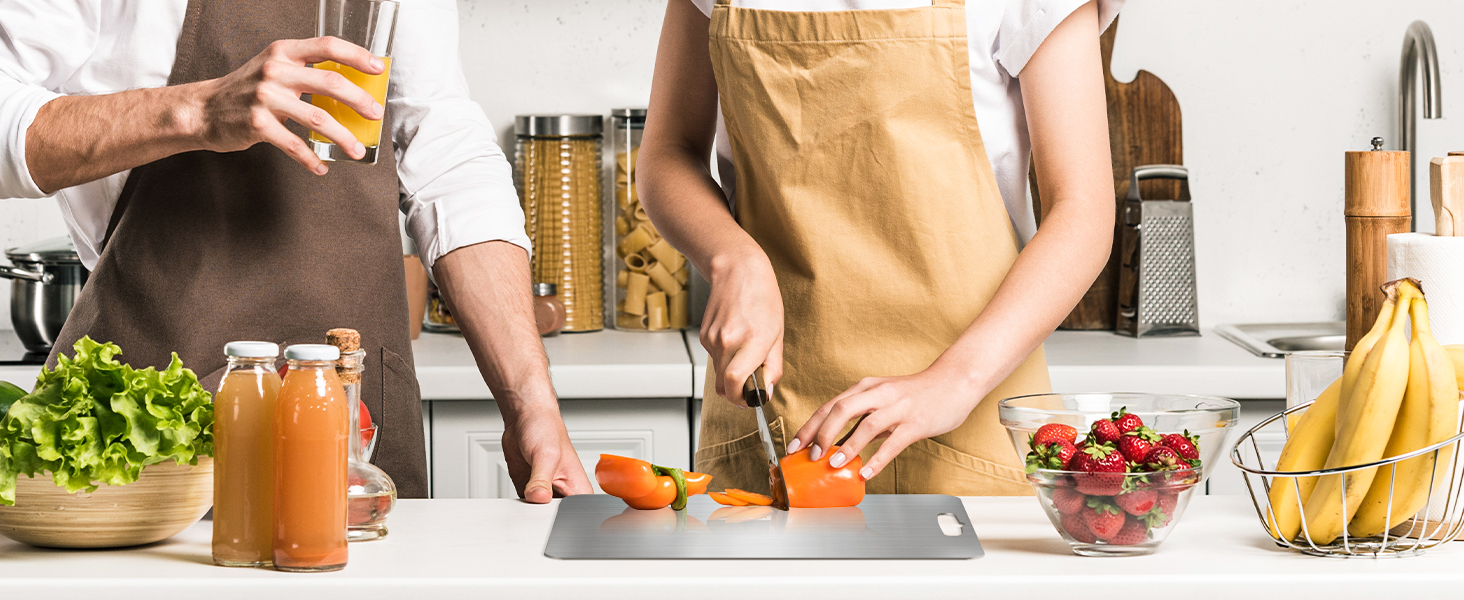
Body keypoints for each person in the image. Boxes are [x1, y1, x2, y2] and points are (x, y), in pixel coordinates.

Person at [0, 0, 592, 502]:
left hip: (355, 416)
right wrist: (195, 110)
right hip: (146, 416)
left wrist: (529, 401)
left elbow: (445, 158)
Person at [639, 0, 1120, 495]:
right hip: (775, 410)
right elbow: (668, 152)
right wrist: (731, 258)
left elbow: (1082, 212)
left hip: (973, 404)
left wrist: (955, 380)